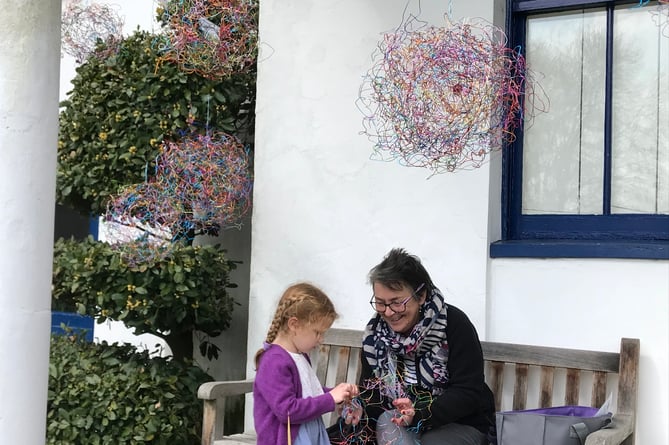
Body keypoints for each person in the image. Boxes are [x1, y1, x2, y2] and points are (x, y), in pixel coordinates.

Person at [345, 248, 495, 445]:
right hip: (403, 424)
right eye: (380, 303)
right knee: (385, 424)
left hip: (460, 424)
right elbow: (373, 396)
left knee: (432, 441)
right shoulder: (376, 337)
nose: (389, 313)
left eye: (397, 303)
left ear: (421, 295)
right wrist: (360, 410)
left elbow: (468, 392)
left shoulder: (454, 324)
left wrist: (420, 414)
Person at [253, 282, 359, 445]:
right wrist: (330, 398)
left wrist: (339, 395)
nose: (321, 339)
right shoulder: (273, 361)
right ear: (294, 324)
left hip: (310, 435)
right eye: (317, 332)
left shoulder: (300, 356)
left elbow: (308, 393)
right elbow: (287, 411)